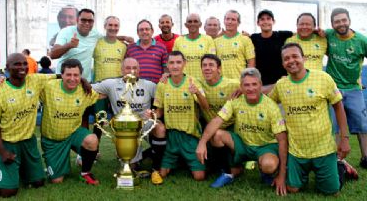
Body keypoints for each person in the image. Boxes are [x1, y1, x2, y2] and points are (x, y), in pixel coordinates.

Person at [269, 43, 350, 195]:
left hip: (323, 148)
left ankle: (340, 167)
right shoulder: (281, 85)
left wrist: (344, 138)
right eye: (286, 58)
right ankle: (301, 174)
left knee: (330, 191)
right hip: (297, 151)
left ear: (303, 58)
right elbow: (268, 102)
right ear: (282, 63)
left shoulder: (323, 78)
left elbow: (338, 107)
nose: (291, 61)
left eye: (295, 56)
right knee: (292, 189)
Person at [0, 53, 57, 197]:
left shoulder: (34, 80)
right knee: (8, 191)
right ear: (7, 68)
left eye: (24, 63)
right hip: (8, 143)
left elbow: (61, 76)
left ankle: (21, 170)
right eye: (17, 64)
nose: (22, 67)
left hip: (28, 142)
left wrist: (83, 80)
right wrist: (1, 150)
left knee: (38, 183)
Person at [197, 68, 288, 195]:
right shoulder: (235, 102)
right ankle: (228, 173)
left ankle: (266, 171)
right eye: (246, 85)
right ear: (241, 87)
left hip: (264, 146)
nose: (250, 88)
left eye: (254, 84)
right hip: (243, 144)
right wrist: (202, 142)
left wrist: (282, 175)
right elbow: (217, 120)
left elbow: (282, 140)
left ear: (260, 85)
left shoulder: (271, 107)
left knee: (269, 165)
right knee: (217, 134)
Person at [92, 57, 166, 185]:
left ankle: (155, 169)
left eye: (135, 68)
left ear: (139, 70)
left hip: (144, 123)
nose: (132, 70)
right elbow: (89, 88)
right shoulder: (111, 84)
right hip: (125, 129)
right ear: (121, 70)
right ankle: (137, 160)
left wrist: (154, 113)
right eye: (128, 68)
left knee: (159, 128)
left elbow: (165, 97)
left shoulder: (149, 85)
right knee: (131, 168)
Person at [148, 51, 209, 181]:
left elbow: (206, 107)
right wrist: (152, 114)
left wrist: (197, 93)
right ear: (167, 66)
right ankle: (175, 159)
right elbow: (160, 111)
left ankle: (185, 160)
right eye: (172, 63)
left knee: (199, 177)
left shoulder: (193, 82)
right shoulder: (162, 84)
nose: (175, 66)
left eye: (178, 62)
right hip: (172, 136)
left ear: (184, 64)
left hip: (190, 136)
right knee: (162, 174)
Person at [40, 59, 100, 185]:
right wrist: (2, 79)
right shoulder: (48, 87)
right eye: (68, 74)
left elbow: (103, 93)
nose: (72, 78)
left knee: (92, 140)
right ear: (61, 75)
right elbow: (28, 83)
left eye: (76, 75)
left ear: (81, 76)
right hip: (53, 140)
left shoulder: (86, 90)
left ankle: (85, 173)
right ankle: (52, 168)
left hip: (73, 134)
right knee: (57, 181)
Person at [325, 8, 367, 168]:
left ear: (349, 20)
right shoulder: (328, 35)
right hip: (333, 88)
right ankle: (338, 160)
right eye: (337, 21)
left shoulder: (361, 41)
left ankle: (365, 158)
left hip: (354, 89)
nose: (341, 24)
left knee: (362, 124)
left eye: (343, 20)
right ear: (332, 24)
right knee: (334, 125)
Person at [50, 8, 101, 82]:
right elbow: (53, 54)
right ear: (77, 20)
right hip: (64, 80)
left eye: (90, 21)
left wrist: (123, 38)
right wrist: (69, 45)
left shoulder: (95, 34)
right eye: (83, 20)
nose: (87, 23)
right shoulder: (66, 31)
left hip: (84, 82)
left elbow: (109, 37)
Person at [250, 10, 293, 87]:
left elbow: (301, 32)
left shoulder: (282, 35)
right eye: (262, 19)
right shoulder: (253, 38)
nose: (265, 21)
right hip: (260, 83)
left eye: (268, 18)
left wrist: (318, 31)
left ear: (273, 21)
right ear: (258, 23)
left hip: (280, 82)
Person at [173, 13, 216, 79]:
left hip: (203, 81)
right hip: (184, 81)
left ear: (200, 24)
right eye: (190, 22)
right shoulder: (178, 40)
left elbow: (211, 62)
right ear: (186, 25)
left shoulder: (208, 39)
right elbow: (174, 62)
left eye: (195, 21)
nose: (192, 24)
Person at [214, 10, 255, 79]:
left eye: (233, 20)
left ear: (238, 23)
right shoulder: (216, 41)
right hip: (222, 83)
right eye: (227, 19)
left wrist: (247, 80)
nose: (230, 22)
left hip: (240, 83)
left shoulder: (245, 39)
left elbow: (251, 63)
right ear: (224, 21)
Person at [126, 19, 168, 83]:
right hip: (135, 87)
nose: (144, 32)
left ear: (152, 31)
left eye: (147, 29)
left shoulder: (161, 47)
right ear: (138, 32)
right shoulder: (130, 48)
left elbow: (166, 68)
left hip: (155, 87)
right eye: (141, 30)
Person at [93, 16, 127, 82]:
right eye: (110, 25)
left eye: (116, 25)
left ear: (119, 27)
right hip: (100, 86)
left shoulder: (123, 46)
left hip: (117, 86)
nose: (113, 28)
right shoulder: (96, 43)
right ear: (105, 26)